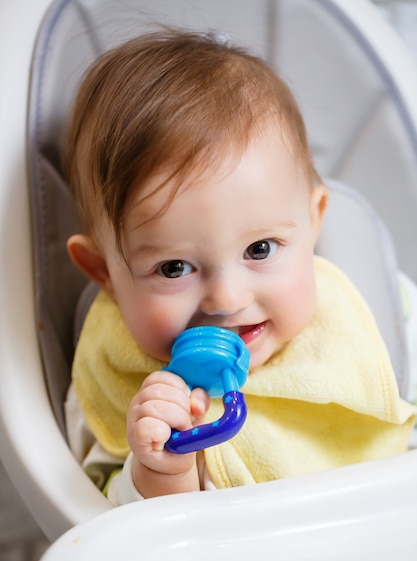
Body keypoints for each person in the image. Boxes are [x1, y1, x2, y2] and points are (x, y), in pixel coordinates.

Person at [64, 29, 416, 504]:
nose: (228, 299)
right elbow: (95, 520)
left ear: (312, 224)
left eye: (260, 250)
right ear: (104, 273)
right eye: (173, 268)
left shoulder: (378, 316)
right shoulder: (120, 381)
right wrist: (160, 474)